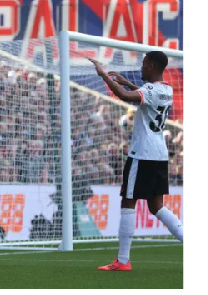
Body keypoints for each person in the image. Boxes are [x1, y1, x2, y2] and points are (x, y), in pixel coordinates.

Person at [90, 52, 183, 271]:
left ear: (151, 65)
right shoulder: (167, 89)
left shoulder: (150, 91)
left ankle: (122, 261)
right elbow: (144, 96)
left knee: (128, 201)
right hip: (160, 154)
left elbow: (125, 96)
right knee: (157, 206)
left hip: (142, 153)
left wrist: (104, 75)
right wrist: (126, 82)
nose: (141, 69)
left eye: (143, 65)